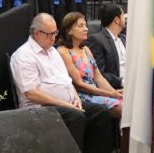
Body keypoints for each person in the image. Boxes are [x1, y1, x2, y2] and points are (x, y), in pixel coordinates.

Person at [10, 14, 115, 153]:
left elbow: (67, 81)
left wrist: (76, 99)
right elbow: (32, 94)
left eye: (55, 33)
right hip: (38, 108)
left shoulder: (52, 51)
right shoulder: (24, 56)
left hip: (67, 103)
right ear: (37, 34)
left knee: (100, 112)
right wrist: (66, 104)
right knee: (76, 117)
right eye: (49, 34)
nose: (53, 38)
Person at [57, 13, 122, 118]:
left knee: (126, 102)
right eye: (80, 26)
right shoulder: (63, 51)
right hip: (81, 96)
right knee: (122, 107)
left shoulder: (86, 49)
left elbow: (99, 78)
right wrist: (109, 94)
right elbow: (79, 84)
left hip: (97, 93)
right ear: (69, 31)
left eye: (85, 25)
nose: (86, 29)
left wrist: (115, 93)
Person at [88, 3, 127, 89]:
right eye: (123, 15)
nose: (125, 18)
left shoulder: (124, 38)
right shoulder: (97, 40)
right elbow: (99, 73)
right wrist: (122, 82)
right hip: (115, 88)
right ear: (116, 20)